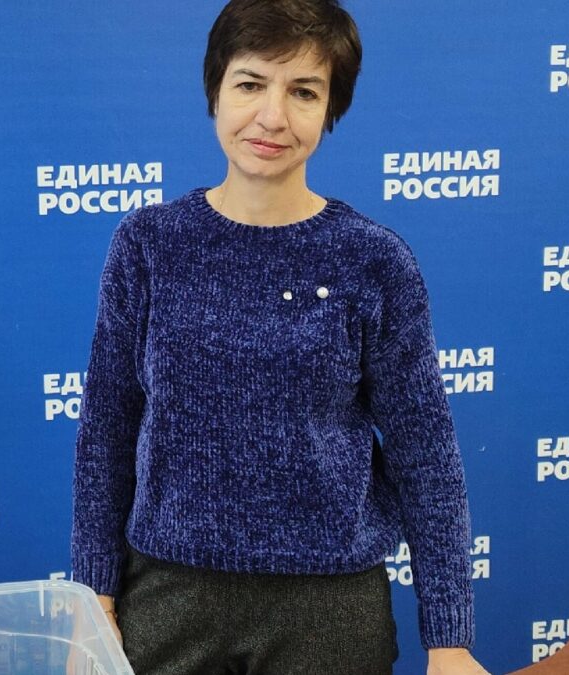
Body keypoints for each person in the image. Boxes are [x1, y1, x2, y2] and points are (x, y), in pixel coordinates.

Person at [71, 1, 489, 673]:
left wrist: (449, 638)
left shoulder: (374, 260)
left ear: (330, 110)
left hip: (330, 613)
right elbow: (106, 433)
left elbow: (426, 455)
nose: (272, 116)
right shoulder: (148, 244)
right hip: (168, 600)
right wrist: (93, 600)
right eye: (250, 83)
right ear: (215, 91)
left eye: (303, 92)